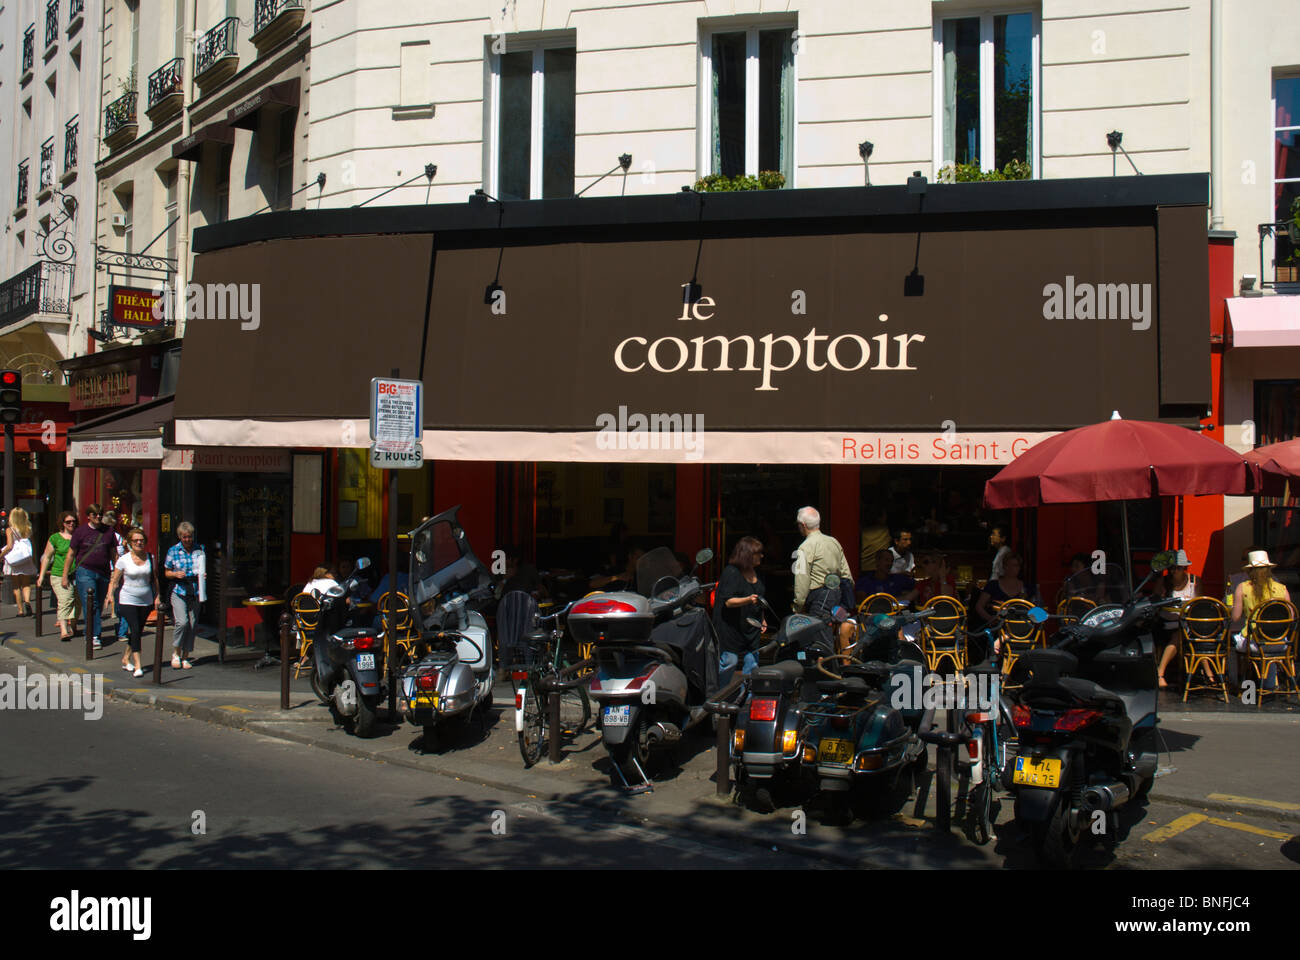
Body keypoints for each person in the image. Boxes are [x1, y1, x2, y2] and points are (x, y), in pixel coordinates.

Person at [792, 506, 855, 653]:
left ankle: (827, 671)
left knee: (821, 641)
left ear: (803, 525)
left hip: (819, 599)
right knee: (835, 635)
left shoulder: (804, 548)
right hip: (837, 596)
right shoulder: (833, 542)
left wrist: (798, 606)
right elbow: (846, 575)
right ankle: (838, 666)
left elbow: (801, 580)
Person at [1228, 550, 1292, 690]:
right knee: (1267, 651)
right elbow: (1291, 617)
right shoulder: (1282, 589)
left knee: (1232, 644)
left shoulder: (1243, 588)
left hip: (1255, 644)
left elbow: (1235, 617)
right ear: (1269, 569)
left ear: (1250, 571)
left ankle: (1240, 684)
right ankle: (1268, 685)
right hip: (1280, 643)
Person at [105, 528, 161, 678]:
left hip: (146, 599)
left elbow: (154, 578)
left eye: (141, 540)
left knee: (137, 631)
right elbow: (115, 580)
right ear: (130, 543)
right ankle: (138, 665)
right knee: (135, 629)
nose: (138, 543)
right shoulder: (123, 559)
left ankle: (125, 658)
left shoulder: (151, 557)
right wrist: (109, 595)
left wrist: (158, 596)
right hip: (127, 599)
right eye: (135, 540)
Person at [714, 536, 767, 687]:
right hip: (731, 626)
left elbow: (759, 598)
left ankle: (747, 697)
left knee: (752, 663)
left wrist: (762, 618)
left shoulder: (759, 573)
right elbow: (728, 601)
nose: (761, 556)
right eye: (758, 553)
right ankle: (719, 694)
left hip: (751, 625)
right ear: (748, 554)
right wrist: (748, 599)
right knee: (729, 661)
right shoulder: (731, 572)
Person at [64, 504, 115, 648]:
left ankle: (92, 632)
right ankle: (93, 635)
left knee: (98, 604)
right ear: (88, 516)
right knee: (90, 603)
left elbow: (113, 554)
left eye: (100, 514)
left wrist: (115, 573)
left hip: (103, 572)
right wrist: (64, 575)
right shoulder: (80, 532)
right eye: (94, 514)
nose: (98, 517)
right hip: (85, 571)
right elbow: (71, 554)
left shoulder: (109, 531)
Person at [1153, 551, 1203, 688]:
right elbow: (1155, 603)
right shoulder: (1163, 582)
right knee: (1179, 634)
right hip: (1166, 622)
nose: (1175, 571)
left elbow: (1199, 605)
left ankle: (1209, 675)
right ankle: (1160, 673)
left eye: (1179, 568)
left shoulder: (1194, 581)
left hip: (1188, 622)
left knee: (1188, 633)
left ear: (1184, 569)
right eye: (1172, 568)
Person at [164, 522, 204, 670]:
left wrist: (203, 574)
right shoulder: (173, 551)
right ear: (180, 536)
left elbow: (202, 567)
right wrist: (175, 574)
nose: (187, 539)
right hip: (179, 590)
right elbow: (166, 572)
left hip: (195, 591)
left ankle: (186, 655)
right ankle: (176, 652)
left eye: (190, 537)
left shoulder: (199, 549)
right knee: (182, 622)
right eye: (184, 537)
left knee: (193, 625)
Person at [975, 552, 1029, 657]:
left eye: (1015, 565)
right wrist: (990, 618)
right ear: (1004, 566)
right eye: (1009, 565)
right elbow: (979, 606)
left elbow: (1033, 607)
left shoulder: (1026, 587)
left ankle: (1005, 638)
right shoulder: (993, 585)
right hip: (998, 622)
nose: (1012, 568)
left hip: (1019, 623)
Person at [37, 510, 80, 639]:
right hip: (59, 574)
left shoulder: (79, 536)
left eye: (73, 521)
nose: (71, 524)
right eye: (68, 522)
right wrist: (41, 575)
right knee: (65, 601)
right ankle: (64, 630)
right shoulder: (55, 538)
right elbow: (46, 557)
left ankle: (73, 625)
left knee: (78, 603)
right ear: (62, 523)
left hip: (78, 574)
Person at [2, 506, 38, 616]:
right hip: (26, 558)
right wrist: (34, 558)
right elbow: (32, 545)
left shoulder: (10, 530)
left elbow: (9, 546)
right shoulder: (28, 528)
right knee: (26, 584)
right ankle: (27, 601)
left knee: (16, 585)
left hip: (14, 559)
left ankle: (20, 610)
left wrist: (1, 555)